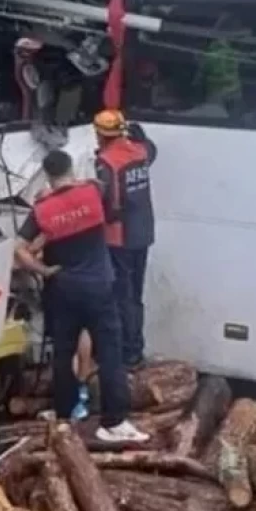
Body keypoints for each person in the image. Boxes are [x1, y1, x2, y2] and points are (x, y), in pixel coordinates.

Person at [16, 149, 149, 444]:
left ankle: (65, 413)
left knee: (63, 354)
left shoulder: (41, 210)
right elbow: (104, 186)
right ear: (70, 168)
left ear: (47, 175)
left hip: (61, 288)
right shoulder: (91, 192)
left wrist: (43, 270)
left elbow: (20, 249)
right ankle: (113, 422)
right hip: (99, 287)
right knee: (111, 352)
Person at [93, 109, 157, 369]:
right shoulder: (139, 151)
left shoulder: (106, 162)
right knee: (136, 294)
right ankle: (136, 348)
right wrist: (142, 135)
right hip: (143, 232)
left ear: (99, 135)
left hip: (119, 237)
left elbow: (108, 204)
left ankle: (128, 352)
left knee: (122, 295)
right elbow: (151, 149)